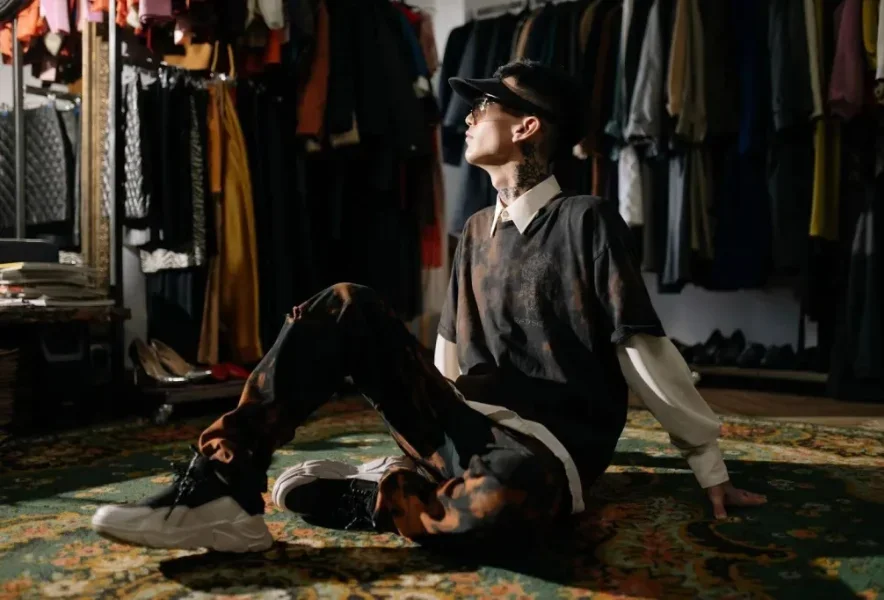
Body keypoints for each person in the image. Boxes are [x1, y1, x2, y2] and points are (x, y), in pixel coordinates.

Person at [92, 60, 766, 553]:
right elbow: (445, 352)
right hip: (463, 424)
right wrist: (425, 431)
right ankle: (220, 489)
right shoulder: (473, 231)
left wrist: (708, 464)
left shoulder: (586, 220)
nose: (469, 116)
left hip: (543, 450)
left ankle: (387, 491)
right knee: (347, 302)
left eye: (486, 106)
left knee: (508, 511)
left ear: (528, 126)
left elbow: (639, 346)